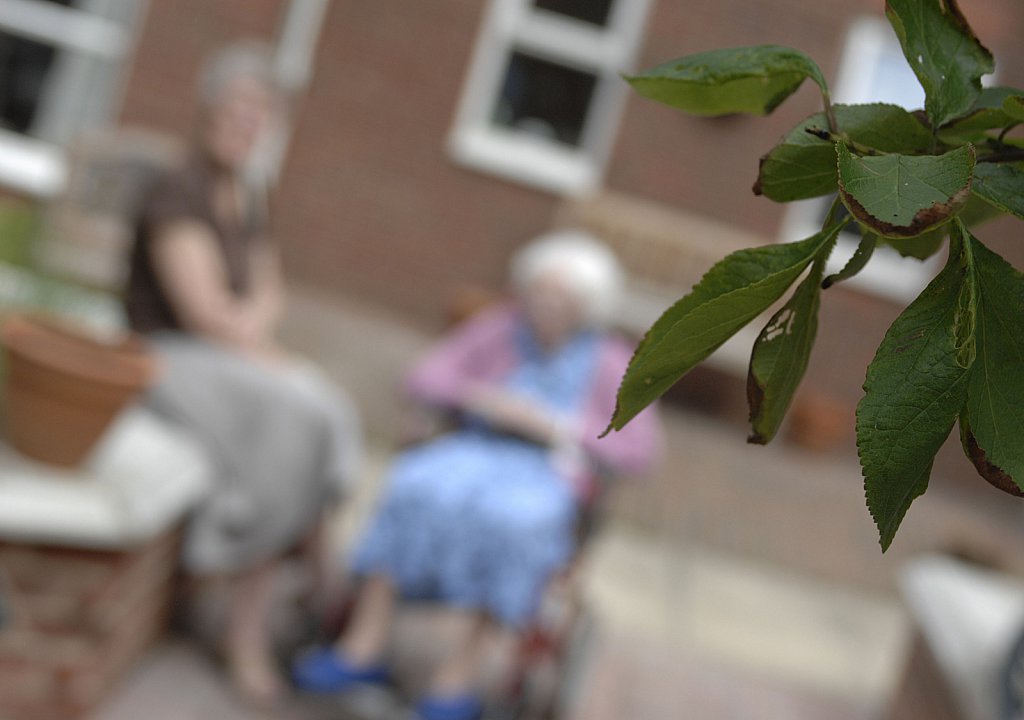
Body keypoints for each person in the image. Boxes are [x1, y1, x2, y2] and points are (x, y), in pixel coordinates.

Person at [292, 231, 662, 720]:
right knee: (415, 488)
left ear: (586, 306)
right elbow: (425, 376)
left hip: (548, 471)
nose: (545, 305)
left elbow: (639, 448)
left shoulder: (611, 359)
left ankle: (456, 678)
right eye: (539, 291)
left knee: (515, 522)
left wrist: (557, 424)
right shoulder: (499, 328)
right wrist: (478, 395)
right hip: (475, 447)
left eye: (560, 297)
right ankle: (363, 645)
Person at [123, 42, 362, 707]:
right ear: (209, 109)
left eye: (263, 113)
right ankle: (275, 615)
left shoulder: (245, 192)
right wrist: (255, 338)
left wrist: (253, 332)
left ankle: (315, 580)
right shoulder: (180, 189)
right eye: (240, 108)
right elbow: (203, 315)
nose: (249, 123)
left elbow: (268, 293)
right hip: (164, 359)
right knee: (293, 421)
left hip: (226, 358)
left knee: (321, 405)